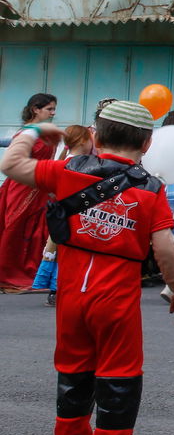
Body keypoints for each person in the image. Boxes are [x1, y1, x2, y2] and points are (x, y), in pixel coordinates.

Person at [0, 100, 174, 435]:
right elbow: (166, 248)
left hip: (71, 296)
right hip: (115, 300)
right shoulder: (151, 190)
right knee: (120, 380)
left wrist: (35, 131)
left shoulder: (67, 171)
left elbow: (11, 165)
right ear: (148, 143)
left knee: (74, 374)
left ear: (96, 136)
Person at [30, 125, 94, 306]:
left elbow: (49, 189)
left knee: (58, 250)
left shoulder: (62, 162)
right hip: (76, 214)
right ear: (83, 141)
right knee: (71, 253)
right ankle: (61, 290)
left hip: (60, 214)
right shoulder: (84, 165)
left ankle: (55, 290)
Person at [0, 93, 58, 292]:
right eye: (49, 109)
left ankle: (32, 273)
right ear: (35, 109)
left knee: (37, 230)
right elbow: (14, 162)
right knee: (15, 226)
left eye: (54, 109)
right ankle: (8, 273)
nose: (53, 113)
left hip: (41, 186)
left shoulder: (46, 132)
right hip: (22, 186)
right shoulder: (26, 134)